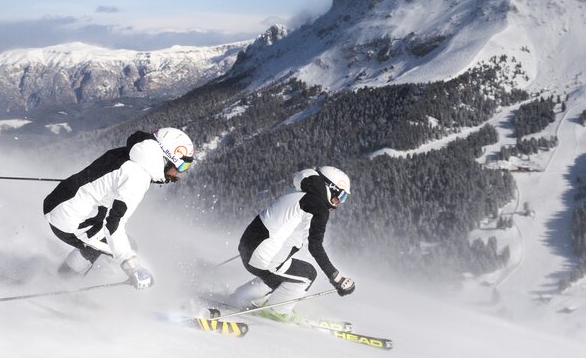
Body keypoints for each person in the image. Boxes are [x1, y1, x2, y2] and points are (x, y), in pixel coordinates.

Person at [43, 127, 197, 290]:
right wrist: (133, 269)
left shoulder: (131, 154)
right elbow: (113, 225)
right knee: (124, 247)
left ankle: (65, 277)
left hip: (59, 201)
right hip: (68, 218)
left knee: (107, 242)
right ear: (167, 158)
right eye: (182, 166)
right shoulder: (137, 177)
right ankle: (65, 286)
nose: (178, 174)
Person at [227, 166, 356, 322]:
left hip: (248, 247)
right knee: (307, 274)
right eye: (340, 196)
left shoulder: (297, 192)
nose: (338, 203)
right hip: (262, 258)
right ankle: (278, 311)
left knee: (277, 276)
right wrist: (337, 279)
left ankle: (239, 298)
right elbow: (315, 247)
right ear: (330, 188)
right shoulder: (318, 208)